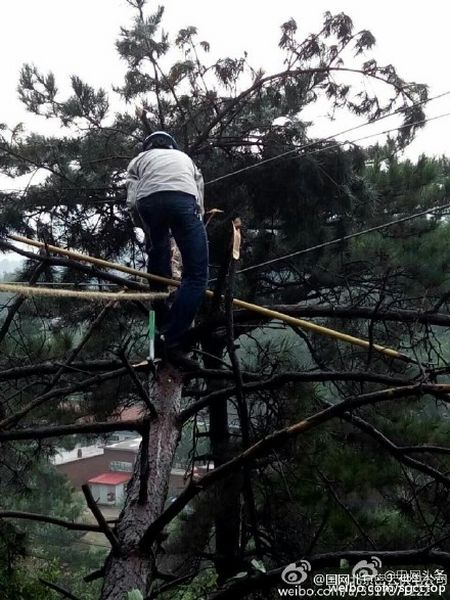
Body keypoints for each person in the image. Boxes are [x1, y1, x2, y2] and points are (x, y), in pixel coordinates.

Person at [126, 131, 208, 367]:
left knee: (158, 255)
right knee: (196, 275)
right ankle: (170, 339)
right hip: (184, 200)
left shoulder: (139, 160)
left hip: (148, 203)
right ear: (172, 146)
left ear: (147, 146)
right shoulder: (185, 159)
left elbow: (132, 201)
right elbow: (199, 196)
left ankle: (159, 300)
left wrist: (146, 229)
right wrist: (194, 223)